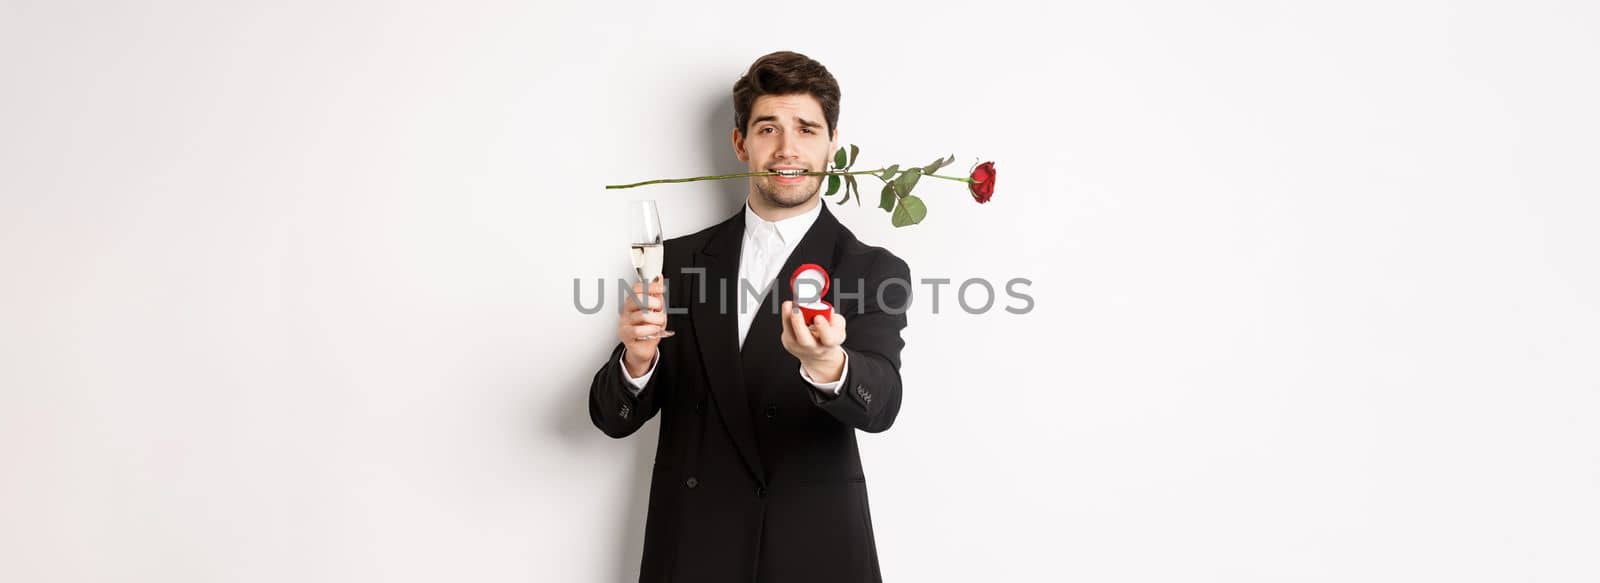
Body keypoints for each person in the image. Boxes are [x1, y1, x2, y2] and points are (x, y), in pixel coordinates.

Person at [589, 50, 912, 582]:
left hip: (812, 549)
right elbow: (611, 419)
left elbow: (882, 404)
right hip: (692, 546)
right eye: (768, 128)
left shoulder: (871, 269)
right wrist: (637, 358)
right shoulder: (678, 260)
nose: (788, 148)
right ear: (741, 143)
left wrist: (830, 364)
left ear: (833, 143)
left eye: (807, 129)